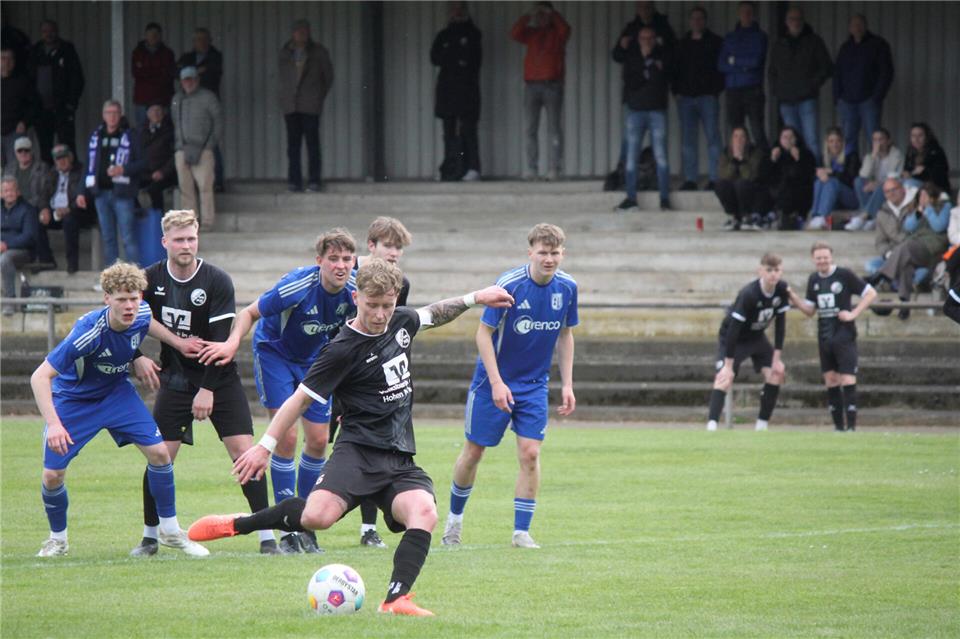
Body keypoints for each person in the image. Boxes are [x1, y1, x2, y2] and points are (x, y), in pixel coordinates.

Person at [187, 259, 515, 617]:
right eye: (372, 306)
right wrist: (264, 447)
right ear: (356, 297)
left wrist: (475, 297)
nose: (379, 315)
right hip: (356, 452)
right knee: (316, 518)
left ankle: (395, 600)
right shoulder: (342, 348)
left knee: (424, 512)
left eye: (387, 306)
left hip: (398, 457)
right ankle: (239, 524)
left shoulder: (400, 322)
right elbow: (298, 400)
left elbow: (434, 313)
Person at [29, 261, 208, 557]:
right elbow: (39, 376)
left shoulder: (143, 312)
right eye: (121, 298)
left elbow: (148, 323)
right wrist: (55, 424)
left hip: (116, 394)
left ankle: (171, 531)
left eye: (134, 298)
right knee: (52, 476)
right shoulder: (88, 331)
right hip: (75, 401)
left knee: (160, 453)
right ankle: (57, 540)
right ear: (107, 298)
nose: (129, 305)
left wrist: (176, 343)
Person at [196, 230, 357, 554]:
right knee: (286, 438)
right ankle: (287, 529)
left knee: (318, 440)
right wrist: (231, 343)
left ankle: (305, 524)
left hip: (315, 361)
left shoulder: (355, 291)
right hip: (275, 355)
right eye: (334, 259)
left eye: (347, 259)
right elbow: (249, 313)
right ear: (319, 261)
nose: (341, 266)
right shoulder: (298, 286)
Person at [128, 210, 278, 557]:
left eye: (191, 239)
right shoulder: (149, 279)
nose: (186, 245)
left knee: (245, 454)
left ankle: (266, 535)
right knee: (159, 457)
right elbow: (124, 318)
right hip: (175, 380)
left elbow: (221, 341)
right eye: (178, 239)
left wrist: (208, 390)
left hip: (220, 380)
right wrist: (137, 355)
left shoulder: (217, 280)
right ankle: (151, 536)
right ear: (165, 241)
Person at [443, 223, 576, 549]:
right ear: (530, 252)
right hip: (493, 383)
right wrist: (497, 383)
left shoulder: (568, 288)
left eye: (555, 253)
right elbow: (483, 334)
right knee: (474, 452)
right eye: (543, 252)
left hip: (534, 385)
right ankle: (453, 522)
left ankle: (521, 533)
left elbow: (566, 334)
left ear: (563, 254)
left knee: (530, 454)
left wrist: (568, 384)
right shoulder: (510, 285)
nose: (549, 259)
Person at [330, 217, 413, 548]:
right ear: (371, 246)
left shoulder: (400, 283)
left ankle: (368, 528)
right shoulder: (348, 276)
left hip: (369, 377)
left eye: (399, 247)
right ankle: (305, 518)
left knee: (371, 443)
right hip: (337, 368)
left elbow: (394, 332)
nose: (393, 253)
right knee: (321, 443)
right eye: (388, 245)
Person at [786, 242, 876, 431]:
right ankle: (838, 428)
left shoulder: (844, 274)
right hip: (824, 335)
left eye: (825, 257)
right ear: (813, 259)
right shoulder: (814, 279)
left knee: (848, 378)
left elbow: (870, 293)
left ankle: (851, 427)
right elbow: (810, 310)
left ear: (831, 257)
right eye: (818, 258)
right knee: (830, 379)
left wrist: (853, 313)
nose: (822, 261)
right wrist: (794, 299)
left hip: (844, 334)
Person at [705, 252, 788, 432]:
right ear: (760, 271)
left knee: (776, 373)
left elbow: (781, 324)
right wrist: (728, 364)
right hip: (735, 338)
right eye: (769, 270)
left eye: (777, 270)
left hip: (757, 337)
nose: (773, 274)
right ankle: (711, 425)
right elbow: (734, 329)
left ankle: (762, 424)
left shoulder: (782, 290)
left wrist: (776, 357)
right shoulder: (749, 293)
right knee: (724, 377)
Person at [612, 26, 673, 212]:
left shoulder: (663, 54)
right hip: (636, 111)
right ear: (638, 39)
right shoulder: (632, 56)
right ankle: (631, 199)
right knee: (631, 158)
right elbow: (630, 81)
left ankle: (664, 200)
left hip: (657, 112)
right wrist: (648, 66)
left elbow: (663, 79)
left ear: (655, 39)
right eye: (643, 37)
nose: (646, 41)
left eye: (650, 37)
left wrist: (648, 70)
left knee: (661, 157)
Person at [78, 100, 144, 267]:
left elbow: (144, 163)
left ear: (120, 115)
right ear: (103, 115)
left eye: (115, 113)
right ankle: (112, 281)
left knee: (128, 237)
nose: (112, 116)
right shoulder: (97, 135)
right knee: (108, 238)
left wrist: (123, 169)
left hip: (123, 194)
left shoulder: (130, 135)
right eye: (108, 113)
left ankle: (135, 279)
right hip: (100, 194)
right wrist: (81, 191)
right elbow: (88, 166)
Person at [870, 182, 950, 320]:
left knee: (906, 246)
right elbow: (908, 227)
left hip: (933, 250)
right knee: (905, 267)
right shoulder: (917, 208)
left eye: (926, 196)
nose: (922, 199)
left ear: (933, 196)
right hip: (916, 248)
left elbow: (939, 226)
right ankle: (904, 306)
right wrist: (919, 212)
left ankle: (884, 275)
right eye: (921, 196)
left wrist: (928, 209)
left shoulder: (944, 206)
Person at [510, 2, 570, 181]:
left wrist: (553, 13)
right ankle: (531, 169)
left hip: (552, 85)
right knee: (530, 129)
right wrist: (529, 15)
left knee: (554, 129)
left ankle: (554, 169)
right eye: (539, 15)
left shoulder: (558, 34)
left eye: (544, 14)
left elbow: (565, 29)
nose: (541, 17)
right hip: (531, 86)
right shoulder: (531, 33)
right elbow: (514, 33)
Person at [278, 19, 334, 193]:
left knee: (312, 144)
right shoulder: (285, 52)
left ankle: (314, 181)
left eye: (304, 31)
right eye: (298, 31)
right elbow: (283, 78)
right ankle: (294, 182)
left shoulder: (318, 52)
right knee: (293, 146)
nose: (301, 34)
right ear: (293, 33)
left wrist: (317, 96)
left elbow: (328, 77)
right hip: (291, 106)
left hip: (311, 105)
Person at [767, 6, 832, 154]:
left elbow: (827, 67)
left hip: (807, 99)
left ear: (803, 21)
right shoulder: (779, 44)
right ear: (786, 22)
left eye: (798, 19)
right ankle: (795, 175)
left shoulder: (814, 41)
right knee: (791, 141)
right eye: (792, 19)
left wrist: (812, 84)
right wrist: (776, 90)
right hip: (786, 101)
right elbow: (772, 71)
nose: (795, 22)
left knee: (811, 139)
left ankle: (814, 175)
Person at [673, 6, 724, 191]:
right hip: (686, 99)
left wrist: (716, 90)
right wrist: (676, 91)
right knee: (688, 141)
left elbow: (722, 69)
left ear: (705, 21)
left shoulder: (716, 42)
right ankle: (691, 180)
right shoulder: (681, 44)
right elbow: (674, 69)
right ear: (689, 21)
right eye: (694, 18)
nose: (697, 21)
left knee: (713, 138)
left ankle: (715, 179)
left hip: (708, 98)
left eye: (700, 18)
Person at [431, 2, 482, 182]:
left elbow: (472, 60)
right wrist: (455, 55)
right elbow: (434, 57)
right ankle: (450, 168)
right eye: (454, 10)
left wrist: (452, 55)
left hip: (467, 90)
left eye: (461, 10)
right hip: (447, 91)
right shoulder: (443, 35)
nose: (457, 13)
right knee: (448, 131)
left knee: (468, 129)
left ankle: (473, 167)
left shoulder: (473, 34)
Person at [833, 15, 894, 156]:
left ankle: (878, 172)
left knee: (875, 138)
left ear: (866, 26)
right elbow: (837, 73)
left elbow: (886, 72)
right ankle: (851, 171)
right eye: (854, 25)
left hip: (869, 100)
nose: (857, 28)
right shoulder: (845, 48)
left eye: (860, 25)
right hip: (847, 101)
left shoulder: (878, 45)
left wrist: (877, 96)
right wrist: (837, 97)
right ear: (849, 28)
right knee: (849, 139)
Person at [171, 66, 222, 231]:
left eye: (191, 79)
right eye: (185, 79)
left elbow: (218, 122)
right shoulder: (177, 99)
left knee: (205, 186)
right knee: (185, 188)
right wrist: (179, 144)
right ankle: (189, 223)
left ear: (197, 80)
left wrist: (209, 144)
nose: (188, 82)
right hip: (182, 149)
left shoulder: (208, 97)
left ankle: (207, 221)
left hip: (203, 149)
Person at [28, 19, 84, 161]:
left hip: (62, 109)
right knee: (45, 149)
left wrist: (71, 103)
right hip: (41, 111)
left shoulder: (67, 49)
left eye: (51, 31)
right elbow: (28, 81)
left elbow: (77, 78)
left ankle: (71, 179)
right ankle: (48, 180)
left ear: (57, 31)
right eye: (45, 31)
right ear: (41, 33)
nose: (49, 34)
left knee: (67, 146)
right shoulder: (35, 51)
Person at [177, 28, 224, 192]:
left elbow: (211, 73)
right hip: (189, 105)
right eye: (197, 39)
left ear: (210, 40)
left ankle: (218, 180)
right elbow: (177, 72)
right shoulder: (187, 57)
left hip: (207, 104)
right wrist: (198, 71)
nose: (201, 42)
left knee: (210, 143)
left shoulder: (215, 56)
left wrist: (192, 71)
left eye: (204, 39)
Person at [718, 1, 768, 149]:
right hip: (733, 90)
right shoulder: (730, 37)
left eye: (749, 12)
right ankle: (738, 167)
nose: (746, 15)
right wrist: (743, 65)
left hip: (753, 89)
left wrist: (733, 61)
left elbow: (755, 61)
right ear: (738, 14)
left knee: (757, 130)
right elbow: (721, 64)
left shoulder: (760, 36)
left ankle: (764, 168)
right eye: (743, 11)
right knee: (735, 132)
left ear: (754, 15)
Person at [37, 144, 90, 274]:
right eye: (58, 159)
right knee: (35, 221)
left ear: (70, 157)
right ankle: (47, 260)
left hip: (75, 212)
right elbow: (43, 195)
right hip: (55, 212)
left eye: (64, 157)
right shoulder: (52, 173)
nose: (62, 161)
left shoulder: (81, 171)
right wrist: (44, 209)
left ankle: (72, 264)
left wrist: (69, 209)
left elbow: (85, 195)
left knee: (69, 221)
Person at [3, 136, 54, 266]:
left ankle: (45, 260)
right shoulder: (9, 168)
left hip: (36, 205)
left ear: (32, 151)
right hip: (14, 206)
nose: (23, 153)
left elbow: (46, 191)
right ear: (15, 153)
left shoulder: (41, 167)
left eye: (26, 150)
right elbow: (5, 189)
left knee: (39, 218)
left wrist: (44, 207)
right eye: (20, 151)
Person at [845, 128, 903, 231]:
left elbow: (895, 177)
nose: (878, 143)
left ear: (888, 141)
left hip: (889, 191)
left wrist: (878, 184)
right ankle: (871, 218)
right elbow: (863, 175)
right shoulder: (870, 156)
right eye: (875, 140)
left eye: (881, 139)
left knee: (884, 185)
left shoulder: (897, 155)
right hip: (873, 192)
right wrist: (873, 156)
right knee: (858, 181)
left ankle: (864, 216)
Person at [760, 126, 816, 230]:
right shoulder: (773, 153)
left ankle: (789, 217)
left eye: (791, 137)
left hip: (798, 193)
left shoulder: (805, 153)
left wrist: (798, 160)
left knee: (789, 183)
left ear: (796, 139)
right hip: (776, 193)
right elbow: (763, 176)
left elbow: (808, 175)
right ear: (780, 140)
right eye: (785, 137)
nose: (788, 140)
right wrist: (772, 160)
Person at [808, 127, 860, 230]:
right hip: (833, 199)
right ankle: (815, 216)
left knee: (832, 182)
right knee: (819, 182)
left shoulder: (851, 156)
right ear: (827, 143)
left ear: (842, 143)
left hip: (851, 198)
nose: (834, 144)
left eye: (838, 141)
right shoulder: (824, 158)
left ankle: (822, 216)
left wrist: (832, 173)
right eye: (831, 141)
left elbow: (851, 179)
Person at [714, 126, 764, 231]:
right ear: (731, 140)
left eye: (742, 137)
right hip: (733, 190)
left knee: (741, 184)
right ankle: (733, 216)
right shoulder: (726, 152)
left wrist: (741, 160)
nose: (739, 140)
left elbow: (751, 176)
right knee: (720, 184)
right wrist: (733, 162)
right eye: (736, 136)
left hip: (750, 189)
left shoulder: (754, 152)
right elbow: (724, 175)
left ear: (747, 140)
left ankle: (746, 216)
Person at [1, 176, 37, 315]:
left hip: (23, 251)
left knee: (5, 259)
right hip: (3, 248)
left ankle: (10, 302)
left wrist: (6, 245)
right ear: (1, 193)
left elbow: (28, 237)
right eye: (5, 190)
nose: (9, 193)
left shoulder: (28, 210)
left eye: (12, 190)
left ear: (18, 192)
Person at [866, 178, 916, 277]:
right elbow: (880, 242)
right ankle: (893, 280)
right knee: (870, 265)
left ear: (903, 189)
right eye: (887, 191)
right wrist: (888, 253)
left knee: (919, 274)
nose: (891, 194)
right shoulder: (882, 213)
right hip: (892, 255)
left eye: (894, 189)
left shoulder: (915, 207)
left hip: (912, 254)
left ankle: (892, 281)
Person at [131, 23, 177, 125]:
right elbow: (136, 73)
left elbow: (168, 75)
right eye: (150, 34)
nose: (153, 37)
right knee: (142, 131)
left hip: (163, 100)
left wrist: (146, 72)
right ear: (145, 35)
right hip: (142, 100)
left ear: (160, 36)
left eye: (156, 34)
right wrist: (157, 72)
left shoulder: (168, 53)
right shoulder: (137, 53)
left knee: (164, 131)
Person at [2, 47, 38, 168]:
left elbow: (34, 104)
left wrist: (24, 122)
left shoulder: (22, 81)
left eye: (10, 59)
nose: (7, 62)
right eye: (3, 58)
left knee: (15, 167)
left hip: (15, 131)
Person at [137, 104, 177, 213]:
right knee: (128, 186)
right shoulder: (141, 131)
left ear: (163, 113)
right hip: (146, 173)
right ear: (147, 114)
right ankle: (139, 216)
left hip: (166, 173)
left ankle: (159, 220)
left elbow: (175, 156)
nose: (155, 113)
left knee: (154, 189)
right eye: (152, 110)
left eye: (158, 110)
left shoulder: (170, 131)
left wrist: (163, 172)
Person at [901, 123, 952, 194]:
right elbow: (907, 169)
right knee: (892, 185)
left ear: (927, 137)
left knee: (909, 184)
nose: (916, 139)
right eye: (913, 136)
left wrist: (924, 170)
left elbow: (941, 175)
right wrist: (906, 173)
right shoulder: (910, 152)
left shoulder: (936, 151)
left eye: (920, 135)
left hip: (934, 188)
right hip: (914, 184)